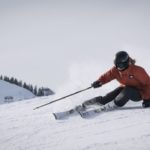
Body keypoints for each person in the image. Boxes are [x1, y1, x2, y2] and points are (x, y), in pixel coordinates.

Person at [82, 51, 150, 109]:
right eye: (116, 65)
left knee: (128, 90)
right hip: (125, 88)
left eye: (120, 65)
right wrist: (99, 82)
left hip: (139, 93)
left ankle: (112, 105)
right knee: (108, 97)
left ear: (126, 63)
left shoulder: (137, 70)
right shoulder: (115, 70)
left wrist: (147, 99)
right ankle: (85, 105)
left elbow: (148, 84)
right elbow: (107, 76)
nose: (118, 67)